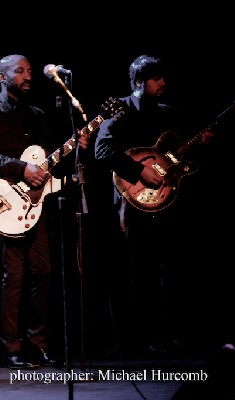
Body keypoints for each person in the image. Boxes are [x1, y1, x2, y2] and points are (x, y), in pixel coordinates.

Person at [0, 54, 89, 369]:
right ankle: (11, 347)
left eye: (29, 71)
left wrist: (75, 146)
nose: (27, 76)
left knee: (45, 272)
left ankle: (38, 344)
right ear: (2, 77)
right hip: (4, 200)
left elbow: (47, 161)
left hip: (36, 206)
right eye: (19, 71)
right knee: (16, 275)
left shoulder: (37, 115)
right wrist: (22, 168)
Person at [93, 54, 213, 357]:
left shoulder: (169, 114)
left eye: (163, 78)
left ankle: (164, 337)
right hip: (131, 205)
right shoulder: (119, 110)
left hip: (168, 203)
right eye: (156, 78)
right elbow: (102, 150)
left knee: (171, 271)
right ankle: (135, 341)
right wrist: (138, 171)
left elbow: (180, 158)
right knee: (139, 272)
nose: (163, 83)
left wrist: (201, 143)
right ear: (138, 82)